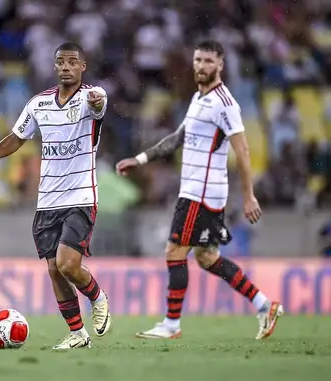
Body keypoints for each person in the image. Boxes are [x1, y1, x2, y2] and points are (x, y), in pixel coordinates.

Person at [116, 40, 283, 340]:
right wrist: (139, 159)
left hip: (201, 192)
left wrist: (248, 196)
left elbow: (243, 151)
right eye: (197, 60)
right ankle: (264, 305)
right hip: (197, 190)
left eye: (208, 61)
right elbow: (177, 138)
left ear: (220, 65)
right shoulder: (198, 98)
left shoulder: (225, 103)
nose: (201, 66)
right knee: (207, 257)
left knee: (173, 252)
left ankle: (171, 324)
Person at [0, 42, 111, 350]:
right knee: (53, 270)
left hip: (80, 196)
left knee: (68, 265)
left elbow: (99, 107)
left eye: (73, 62)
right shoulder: (38, 104)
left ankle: (97, 298)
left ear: (83, 67)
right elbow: (18, 137)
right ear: (55, 66)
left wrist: (98, 101)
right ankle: (77, 334)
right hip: (46, 201)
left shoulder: (91, 97)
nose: (67, 66)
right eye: (61, 62)